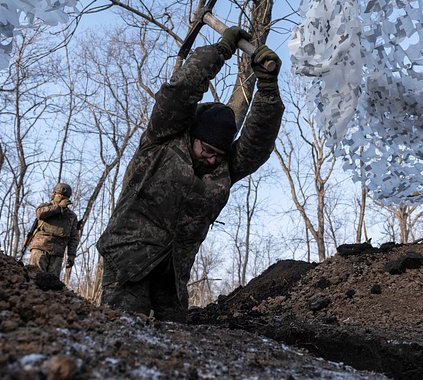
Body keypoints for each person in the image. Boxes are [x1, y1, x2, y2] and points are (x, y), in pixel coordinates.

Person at [96, 26, 284, 322]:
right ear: (193, 136)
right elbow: (181, 91)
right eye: (206, 149)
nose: (211, 159)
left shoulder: (224, 170)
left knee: (175, 347)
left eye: (218, 155)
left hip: (172, 277)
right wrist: (222, 51)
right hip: (129, 262)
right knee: (122, 333)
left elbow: (258, 142)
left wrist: (268, 88)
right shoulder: (162, 138)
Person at [28, 182, 80, 278]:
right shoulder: (45, 207)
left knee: (51, 282)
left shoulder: (71, 216)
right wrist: (59, 207)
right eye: (59, 195)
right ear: (54, 195)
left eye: (65, 197)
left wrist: (71, 255)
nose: (62, 198)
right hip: (40, 248)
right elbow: (40, 214)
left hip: (57, 253)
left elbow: (74, 237)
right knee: (34, 277)